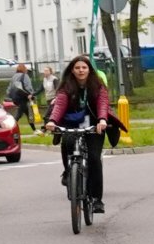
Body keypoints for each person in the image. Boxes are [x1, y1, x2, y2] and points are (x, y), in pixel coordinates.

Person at [42, 54, 124, 215]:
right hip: (72, 123)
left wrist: (102, 120)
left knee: (94, 158)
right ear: (72, 70)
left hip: (94, 124)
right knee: (66, 143)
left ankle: (96, 199)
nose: (81, 70)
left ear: (89, 70)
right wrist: (52, 121)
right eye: (77, 68)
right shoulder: (66, 86)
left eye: (84, 67)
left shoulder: (97, 86)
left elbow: (102, 103)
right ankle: (68, 172)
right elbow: (60, 104)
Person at [5, 64, 38, 132]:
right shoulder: (25, 76)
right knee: (19, 115)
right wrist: (31, 94)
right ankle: (10, 129)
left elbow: (9, 88)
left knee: (28, 113)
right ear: (24, 69)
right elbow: (28, 86)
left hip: (15, 98)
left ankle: (34, 130)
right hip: (23, 97)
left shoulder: (14, 76)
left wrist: (9, 95)